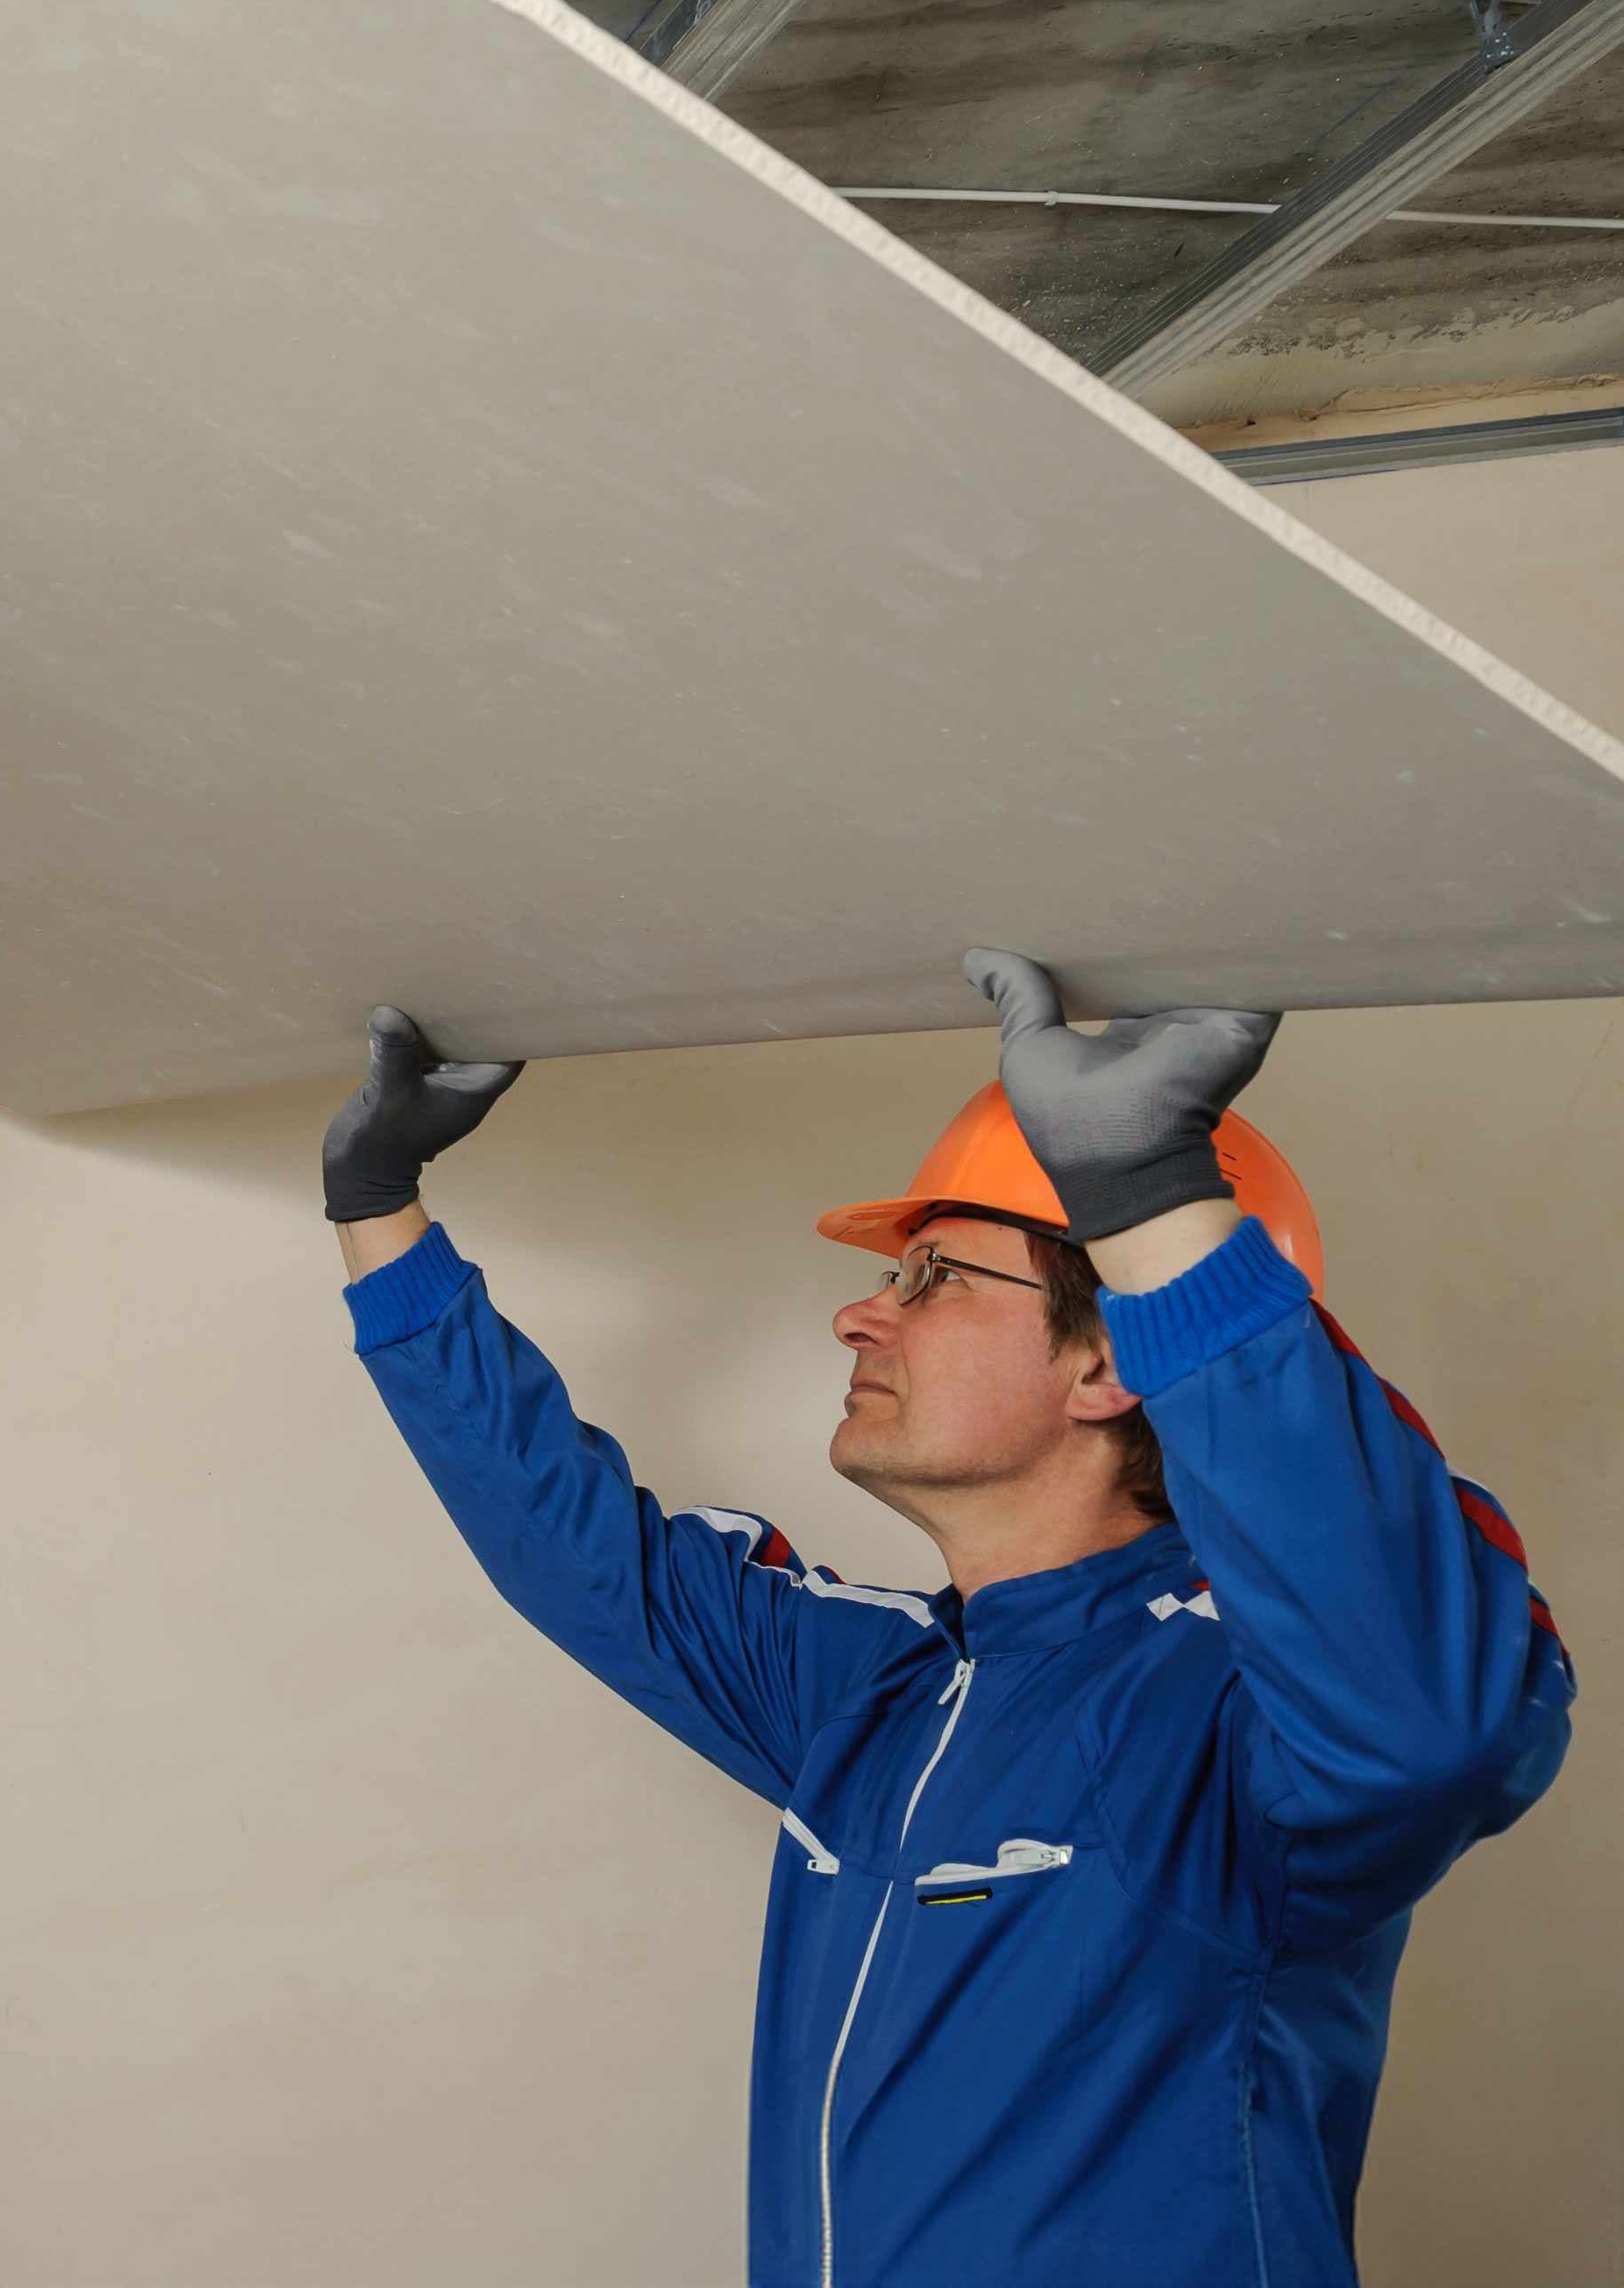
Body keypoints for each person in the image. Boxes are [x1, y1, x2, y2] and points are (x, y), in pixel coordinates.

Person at [325, 950, 1572, 2288]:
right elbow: (573, 1553)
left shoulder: (1228, 1720)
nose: (861, 1314)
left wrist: (1150, 1194)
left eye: (934, 1281)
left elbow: (1432, 1716)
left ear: (1106, 1362)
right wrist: (377, 1212)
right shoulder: (883, 1690)